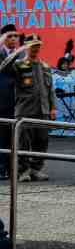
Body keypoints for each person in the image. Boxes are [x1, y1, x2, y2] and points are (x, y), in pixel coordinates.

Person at [12, 35, 55, 182]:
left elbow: (51, 90)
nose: (35, 48)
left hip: (43, 110)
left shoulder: (45, 66)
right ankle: (23, 171)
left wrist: (53, 108)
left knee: (42, 140)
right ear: (25, 47)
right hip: (25, 110)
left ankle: (36, 169)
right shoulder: (18, 65)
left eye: (37, 45)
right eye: (32, 45)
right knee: (23, 141)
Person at [0, 27, 23, 179]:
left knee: (12, 137)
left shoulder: (21, 55)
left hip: (16, 102)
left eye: (16, 36)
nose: (14, 39)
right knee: (1, 136)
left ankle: (11, 168)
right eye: (10, 36)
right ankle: (1, 167)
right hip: (1, 101)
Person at [51, 50, 75, 135]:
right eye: (63, 64)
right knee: (61, 113)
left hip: (72, 98)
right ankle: (60, 130)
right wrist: (58, 89)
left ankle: (72, 130)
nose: (64, 65)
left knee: (72, 111)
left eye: (66, 64)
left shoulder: (72, 74)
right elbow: (52, 86)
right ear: (59, 64)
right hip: (60, 99)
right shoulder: (55, 75)